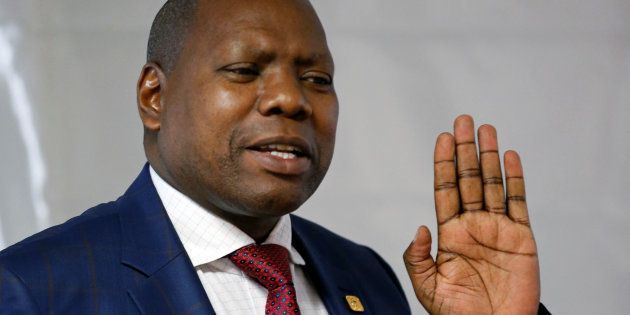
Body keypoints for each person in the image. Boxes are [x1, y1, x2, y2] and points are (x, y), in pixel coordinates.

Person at [0, 0, 549, 314]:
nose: (291, 99)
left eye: (317, 79)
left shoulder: (368, 278)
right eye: (244, 70)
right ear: (154, 97)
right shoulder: (31, 290)